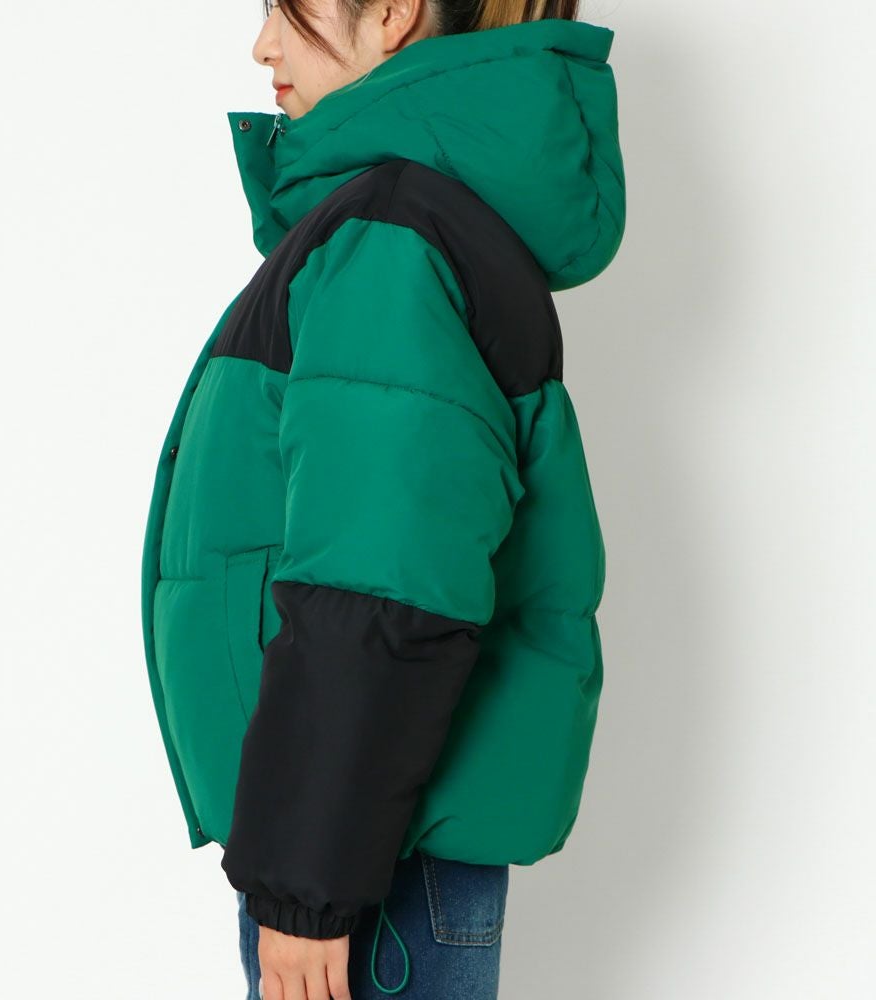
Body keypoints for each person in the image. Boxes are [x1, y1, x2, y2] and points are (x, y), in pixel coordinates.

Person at [139, 0, 626, 997]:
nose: (262, 45)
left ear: (394, 12)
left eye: (286, 8)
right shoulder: (416, 221)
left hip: (366, 866)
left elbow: (379, 580)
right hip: (373, 842)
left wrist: (306, 887)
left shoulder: (394, 236)